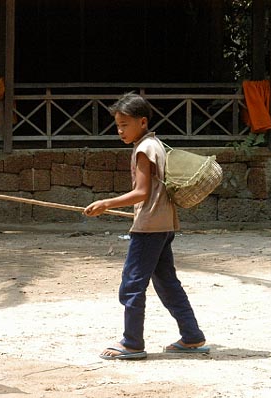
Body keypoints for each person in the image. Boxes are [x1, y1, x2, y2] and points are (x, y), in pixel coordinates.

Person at [83, 92, 208, 360]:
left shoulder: (143, 149)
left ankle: (132, 344)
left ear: (142, 122)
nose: (120, 130)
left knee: (132, 284)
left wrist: (107, 203)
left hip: (149, 226)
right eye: (117, 125)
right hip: (163, 224)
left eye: (124, 124)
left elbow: (141, 192)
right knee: (167, 283)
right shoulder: (155, 144)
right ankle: (192, 337)